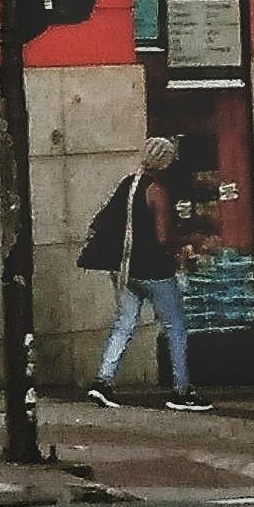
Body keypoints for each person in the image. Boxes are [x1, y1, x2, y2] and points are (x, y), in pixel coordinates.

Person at [79, 136, 211, 414]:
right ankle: (182, 390)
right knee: (175, 327)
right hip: (154, 271)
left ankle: (103, 382)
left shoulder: (129, 184)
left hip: (127, 269)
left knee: (124, 324)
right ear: (164, 162)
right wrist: (191, 240)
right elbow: (162, 238)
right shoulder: (157, 190)